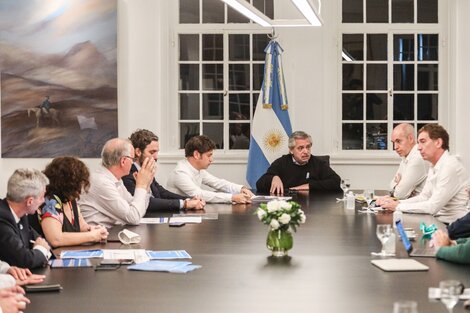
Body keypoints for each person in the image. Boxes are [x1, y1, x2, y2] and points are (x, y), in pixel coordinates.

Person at [377, 124, 470, 224]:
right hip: (438, 222)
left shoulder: (450, 166)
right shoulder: (434, 165)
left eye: (423, 142)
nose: (418, 148)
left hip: (453, 228)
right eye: (418, 143)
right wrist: (397, 202)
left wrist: (397, 206)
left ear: (438, 143)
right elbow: (424, 197)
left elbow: (432, 206)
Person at [79, 138, 155, 228]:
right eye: (133, 159)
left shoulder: (115, 179)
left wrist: (146, 186)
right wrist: (141, 185)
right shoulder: (101, 182)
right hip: (99, 238)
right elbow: (134, 217)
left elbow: (136, 209)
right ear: (123, 161)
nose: (133, 163)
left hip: (111, 233)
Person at [33, 157, 108, 248]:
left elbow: (82, 227)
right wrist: (92, 236)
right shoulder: (49, 201)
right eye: (79, 182)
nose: (81, 186)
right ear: (68, 183)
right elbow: (55, 239)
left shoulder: (70, 200)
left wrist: (94, 230)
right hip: (52, 258)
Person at [123, 129, 205, 212]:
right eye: (152, 152)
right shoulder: (127, 173)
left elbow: (162, 192)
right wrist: (184, 204)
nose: (156, 157)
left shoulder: (145, 170)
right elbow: (147, 203)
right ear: (138, 152)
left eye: (157, 152)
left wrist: (189, 199)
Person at [167, 135, 253, 203]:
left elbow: (218, 183)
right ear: (196, 154)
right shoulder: (180, 173)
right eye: (209, 155)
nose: (211, 160)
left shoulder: (197, 169)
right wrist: (232, 197)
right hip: (177, 217)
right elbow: (199, 194)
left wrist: (241, 188)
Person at [256, 131, 341, 194]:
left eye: (308, 147)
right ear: (291, 150)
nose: (306, 151)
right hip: (287, 207)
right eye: (300, 148)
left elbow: (336, 181)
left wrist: (308, 186)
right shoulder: (281, 162)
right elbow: (259, 184)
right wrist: (273, 177)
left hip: (312, 207)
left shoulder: (318, 163)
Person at [0, 169, 52, 269]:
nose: (43, 201)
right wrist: (40, 248)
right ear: (30, 202)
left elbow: (41, 241)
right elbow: (25, 261)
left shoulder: (21, 214)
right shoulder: (2, 219)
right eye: (42, 197)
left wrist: (39, 248)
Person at [387, 123, 428, 199]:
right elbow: (390, 188)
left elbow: (400, 195)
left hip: (421, 208)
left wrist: (400, 185)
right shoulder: (406, 156)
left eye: (398, 141)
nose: (395, 147)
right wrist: (399, 186)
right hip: (411, 206)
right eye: (393, 143)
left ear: (411, 139)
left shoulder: (418, 158)